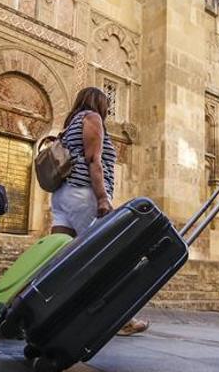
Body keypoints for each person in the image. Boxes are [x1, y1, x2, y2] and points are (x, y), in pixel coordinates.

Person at [51, 87, 149, 336]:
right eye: (106, 104)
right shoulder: (92, 119)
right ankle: (121, 319)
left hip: (62, 196)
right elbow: (94, 161)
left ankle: (49, 310)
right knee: (104, 256)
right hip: (84, 195)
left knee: (59, 258)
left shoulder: (69, 124)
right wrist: (103, 198)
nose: (107, 109)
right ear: (99, 103)